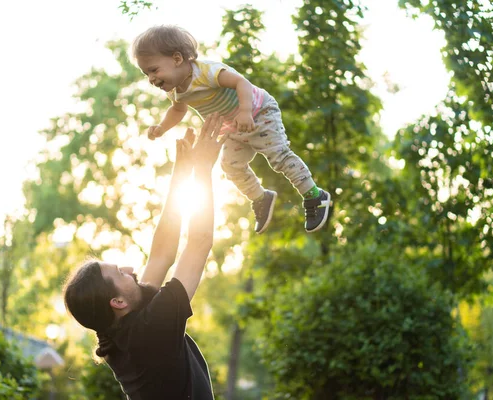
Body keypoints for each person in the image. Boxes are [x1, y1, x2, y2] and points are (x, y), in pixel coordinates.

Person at [63, 114, 227, 400]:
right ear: (117, 302)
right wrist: (202, 170)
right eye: (120, 273)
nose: (130, 269)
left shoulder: (120, 329)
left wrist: (181, 172)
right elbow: (199, 243)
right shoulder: (149, 332)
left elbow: (162, 253)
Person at [131, 25, 332, 234]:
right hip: (233, 127)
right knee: (231, 165)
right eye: (146, 74)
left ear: (177, 59)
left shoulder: (206, 72)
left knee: (278, 156)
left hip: (258, 112)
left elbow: (241, 83)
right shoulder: (175, 91)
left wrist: (245, 110)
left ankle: (315, 196)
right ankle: (261, 198)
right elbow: (177, 110)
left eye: (154, 70)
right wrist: (162, 128)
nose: (151, 79)